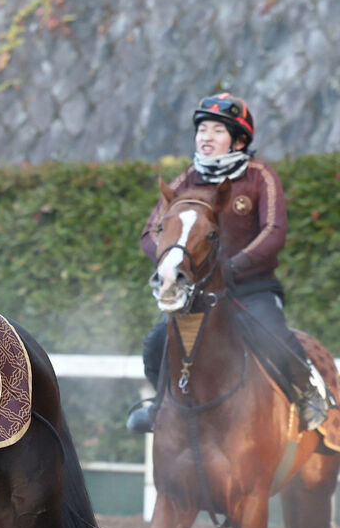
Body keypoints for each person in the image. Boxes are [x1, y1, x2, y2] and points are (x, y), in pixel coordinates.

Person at [126, 92, 329, 434]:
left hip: (252, 288)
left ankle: (308, 396)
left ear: (238, 141)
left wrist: (233, 267)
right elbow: (151, 233)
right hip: (198, 293)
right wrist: (171, 261)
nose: (206, 136)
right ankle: (158, 405)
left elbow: (274, 231)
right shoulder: (185, 181)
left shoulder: (259, 176)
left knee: (274, 335)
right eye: (202, 129)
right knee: (155, 342)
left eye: (217, 131)